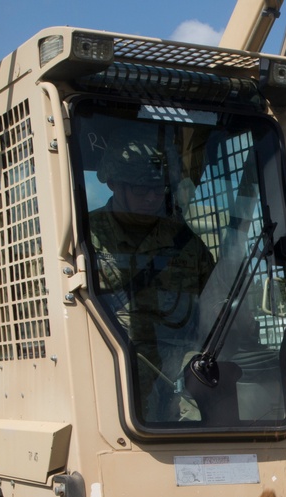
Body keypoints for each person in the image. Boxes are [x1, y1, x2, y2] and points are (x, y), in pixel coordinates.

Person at [88, 135, 215, 420]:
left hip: (177, 366)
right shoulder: (87, 237)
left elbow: (216, 305)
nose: (150, 198)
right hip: (110, 367)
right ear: (114, 184)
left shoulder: (185, 244)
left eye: (158, 190)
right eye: (140, 189)